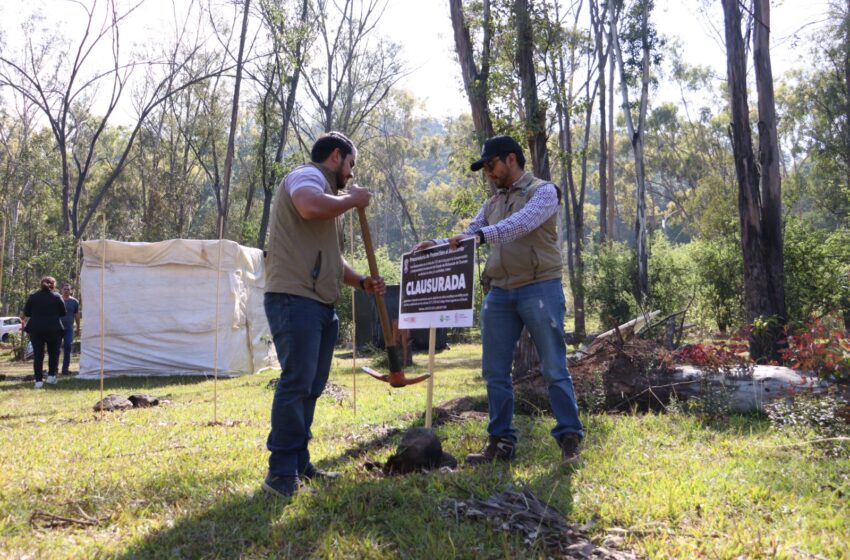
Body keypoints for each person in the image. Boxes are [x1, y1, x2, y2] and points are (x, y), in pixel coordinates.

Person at [412, 135, 583, 465]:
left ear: (511, 159)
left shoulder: (543, 192)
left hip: (539, 287)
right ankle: (501, 442)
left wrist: (480, 236)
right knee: (494, 372)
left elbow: (519, 225)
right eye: (485, 168)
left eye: (491, 165)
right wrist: (436, 244)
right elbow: (469, 234)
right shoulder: (492, 203)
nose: (489, 173)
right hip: (500, 291)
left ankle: (569, 438)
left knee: (553, 367)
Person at [262, 131, 385, 498]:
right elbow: (307, 205)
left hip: (318, 303)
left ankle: (300, 463)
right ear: (335, 156)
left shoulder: (329, 197)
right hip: (294, 298)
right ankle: (280, 474)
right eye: (350, 164)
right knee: (297, 383)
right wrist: (352, 199)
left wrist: (361, 282)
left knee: (312, 387)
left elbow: (331, 259)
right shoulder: (308, 176)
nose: (351, 173)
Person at [22, 276, 67, 388]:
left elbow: (27, 313)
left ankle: (38, 381)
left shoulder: (33, 296)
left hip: (36, 329)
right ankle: (51, 377)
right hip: (54, 329)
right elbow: (63, 313)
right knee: (53, 354)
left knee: (38, 355)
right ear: (53, 285)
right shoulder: (57, 297)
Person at [59, 282, 81, 375]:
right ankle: (54, 369)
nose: (66, 291)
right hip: (57, 328)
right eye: (65, 289)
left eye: (68, 289)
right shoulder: (57, 300)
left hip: (69, 328)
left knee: (68, 346)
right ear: (61, 290)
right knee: (56, 349)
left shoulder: (74, 302)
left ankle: (65, 369)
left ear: (71, 291)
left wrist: (78, 328)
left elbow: (77, 315)